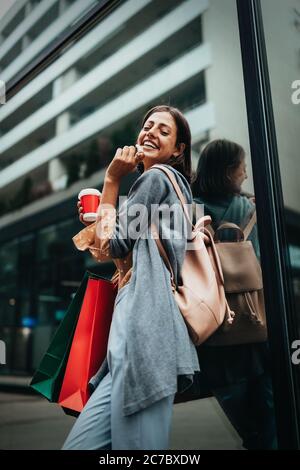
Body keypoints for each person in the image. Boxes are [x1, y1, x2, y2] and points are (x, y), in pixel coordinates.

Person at [62, 105, 200, 450]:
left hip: (144, 334)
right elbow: (116, 250)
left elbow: (114, 244)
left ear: (179, 149)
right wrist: (102, 214)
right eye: (148, 126)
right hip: (134, 337)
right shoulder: (170, 189)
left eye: (164, 131)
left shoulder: (154, 179)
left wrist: (111, 180)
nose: (151, 132)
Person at [192, 139, 277, 450]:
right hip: (260, 332)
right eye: (242, 166)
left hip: (216, 341)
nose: (245, 173)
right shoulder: (251, 209)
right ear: (229, 172)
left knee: (253, 433)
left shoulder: (189, 210)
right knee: (274, 426)